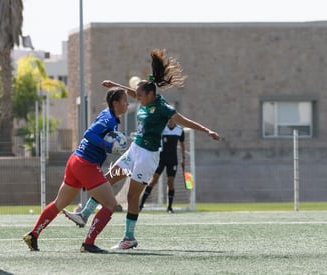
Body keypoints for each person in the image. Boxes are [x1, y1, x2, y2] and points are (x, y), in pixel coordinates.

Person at [62, 48, 220, 250]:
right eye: (136, 95)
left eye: (140, 96)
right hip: (135, 149)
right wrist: (115, 86)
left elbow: (185, 120)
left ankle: (129, 237)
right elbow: (132, 92)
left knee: (131, 197)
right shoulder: (146, 98)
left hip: (148, 156)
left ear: (151, 95)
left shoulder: (164, 108)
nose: (137, 99)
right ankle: (84, 214)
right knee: (106, 180)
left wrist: (208, 131)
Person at [23, 86, 129, 253]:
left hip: (76, 161)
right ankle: (88, 243)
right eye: (125, 101)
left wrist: (107, 146)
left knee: (59, 203)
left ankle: (33, 235)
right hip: (85, 164)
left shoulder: (109, 116)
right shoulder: (108, 118)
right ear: (115, 103)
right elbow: (89, 134)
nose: (127, 104)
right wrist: (107, 145)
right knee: (110, 204)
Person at [139, 119, 185, 213]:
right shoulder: (162, 129)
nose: (170, 120)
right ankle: (141, 205)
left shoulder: (180, 130)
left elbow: (182, 144)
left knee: (170, 182)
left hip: (172, 159)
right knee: (153, 180)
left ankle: (169, 207)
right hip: (161, 159)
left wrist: (183, 158)